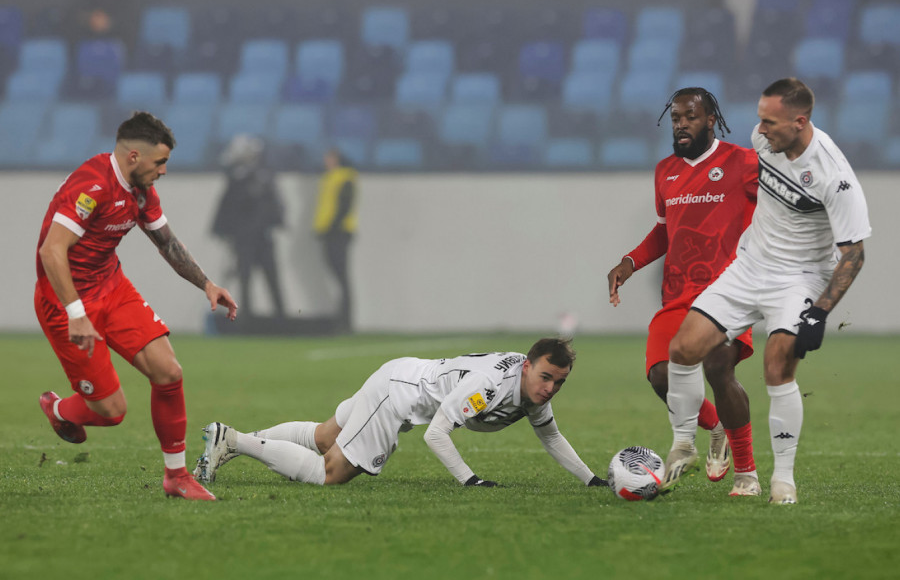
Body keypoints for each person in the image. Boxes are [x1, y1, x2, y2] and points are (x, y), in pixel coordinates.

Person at [664, 78, 871, 504]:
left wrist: (820, 312)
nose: (759, 129)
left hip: (799, 279)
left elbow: (854, 254)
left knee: (777, 367)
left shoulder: (835, 176)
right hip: (749, 266)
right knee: (683, 349)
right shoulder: (765, 141)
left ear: (800, 122)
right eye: (760, 119)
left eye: (770, 122)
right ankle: (683, 444)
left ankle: (783, 481)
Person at [35, 111, 238, 501]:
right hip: (64, 302)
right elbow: (51, 251)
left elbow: (167, 243)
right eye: (159, 162)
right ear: (133, 157)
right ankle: (59, 411)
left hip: (111, 287)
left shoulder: (141, 191)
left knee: (168, 371)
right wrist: (76, 313)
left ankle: (176, 477)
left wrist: (207, 284)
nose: (163, 170)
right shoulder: (92, 185)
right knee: (112, 411)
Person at [193, 337, 606, 489]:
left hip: (402, 375)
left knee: (323, 437)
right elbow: (436, 435)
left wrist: (591, 480)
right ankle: (234, 440)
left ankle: (230, 443)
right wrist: (471, 480)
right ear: (527, 366)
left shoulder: (533, 390)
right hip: (397, 396)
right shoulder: (488, 387)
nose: (549, 389)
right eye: (545, 378)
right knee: (330, 472)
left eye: (559, 383)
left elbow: (551, 436)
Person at [607, 87, 760, 496]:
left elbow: (781, 205)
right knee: (661, 376)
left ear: (710, 120)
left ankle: (746, 474)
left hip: (729, 290)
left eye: (690, 116)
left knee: (718, 367)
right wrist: (630, 262)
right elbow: (664, 230)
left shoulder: (743, 162)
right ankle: (716, 428)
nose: (681, 124)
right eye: (676, 118)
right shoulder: (666, 171)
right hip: (678, 294)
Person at [212, 134, 286, 318]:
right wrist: (223, 230)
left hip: (261, 236)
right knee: (245, 277)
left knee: (271, 276)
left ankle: (280, 315)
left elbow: (275, 204)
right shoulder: (237, 178)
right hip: (244, 237)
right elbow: (227, 206)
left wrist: (275, 221)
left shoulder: (263, 177)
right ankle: (246, 314)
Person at [312, 149, 357, 332]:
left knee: (341, 277)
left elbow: (344, 206)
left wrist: (331, 227)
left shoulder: (345, 178)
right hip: (330, 232)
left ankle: (345, 319)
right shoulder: (330, 178)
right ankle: (342, 317)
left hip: (338, 233)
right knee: (338, 276)